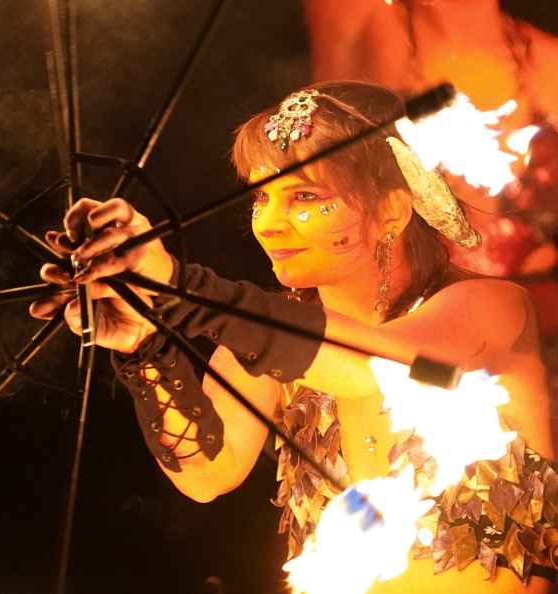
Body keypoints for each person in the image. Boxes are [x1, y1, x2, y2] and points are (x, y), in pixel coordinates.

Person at [29, 81, 557, 594]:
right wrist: (145, 344)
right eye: (262, 197)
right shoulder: (267, 341)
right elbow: (207, 475)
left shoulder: (488, 309)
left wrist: (180, 289)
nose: (270, 224)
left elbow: (372, 367)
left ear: (391, 210)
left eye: (303, 195)